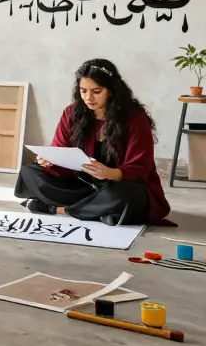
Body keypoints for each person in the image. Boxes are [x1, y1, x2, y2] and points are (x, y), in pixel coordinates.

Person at [15, 59, 172, 226]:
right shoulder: (72, 113)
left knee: (123, 196)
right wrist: (49, 161)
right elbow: (60, 150)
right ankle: (99, 210)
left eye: (96, 91)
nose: (88, 98)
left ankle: (60, 209)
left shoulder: (135, 118)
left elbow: (141, 167)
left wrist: (110, 173)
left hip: (117, 185)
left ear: (111, 90)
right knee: (30, 173)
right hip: (82, 185)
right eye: (83, 91)